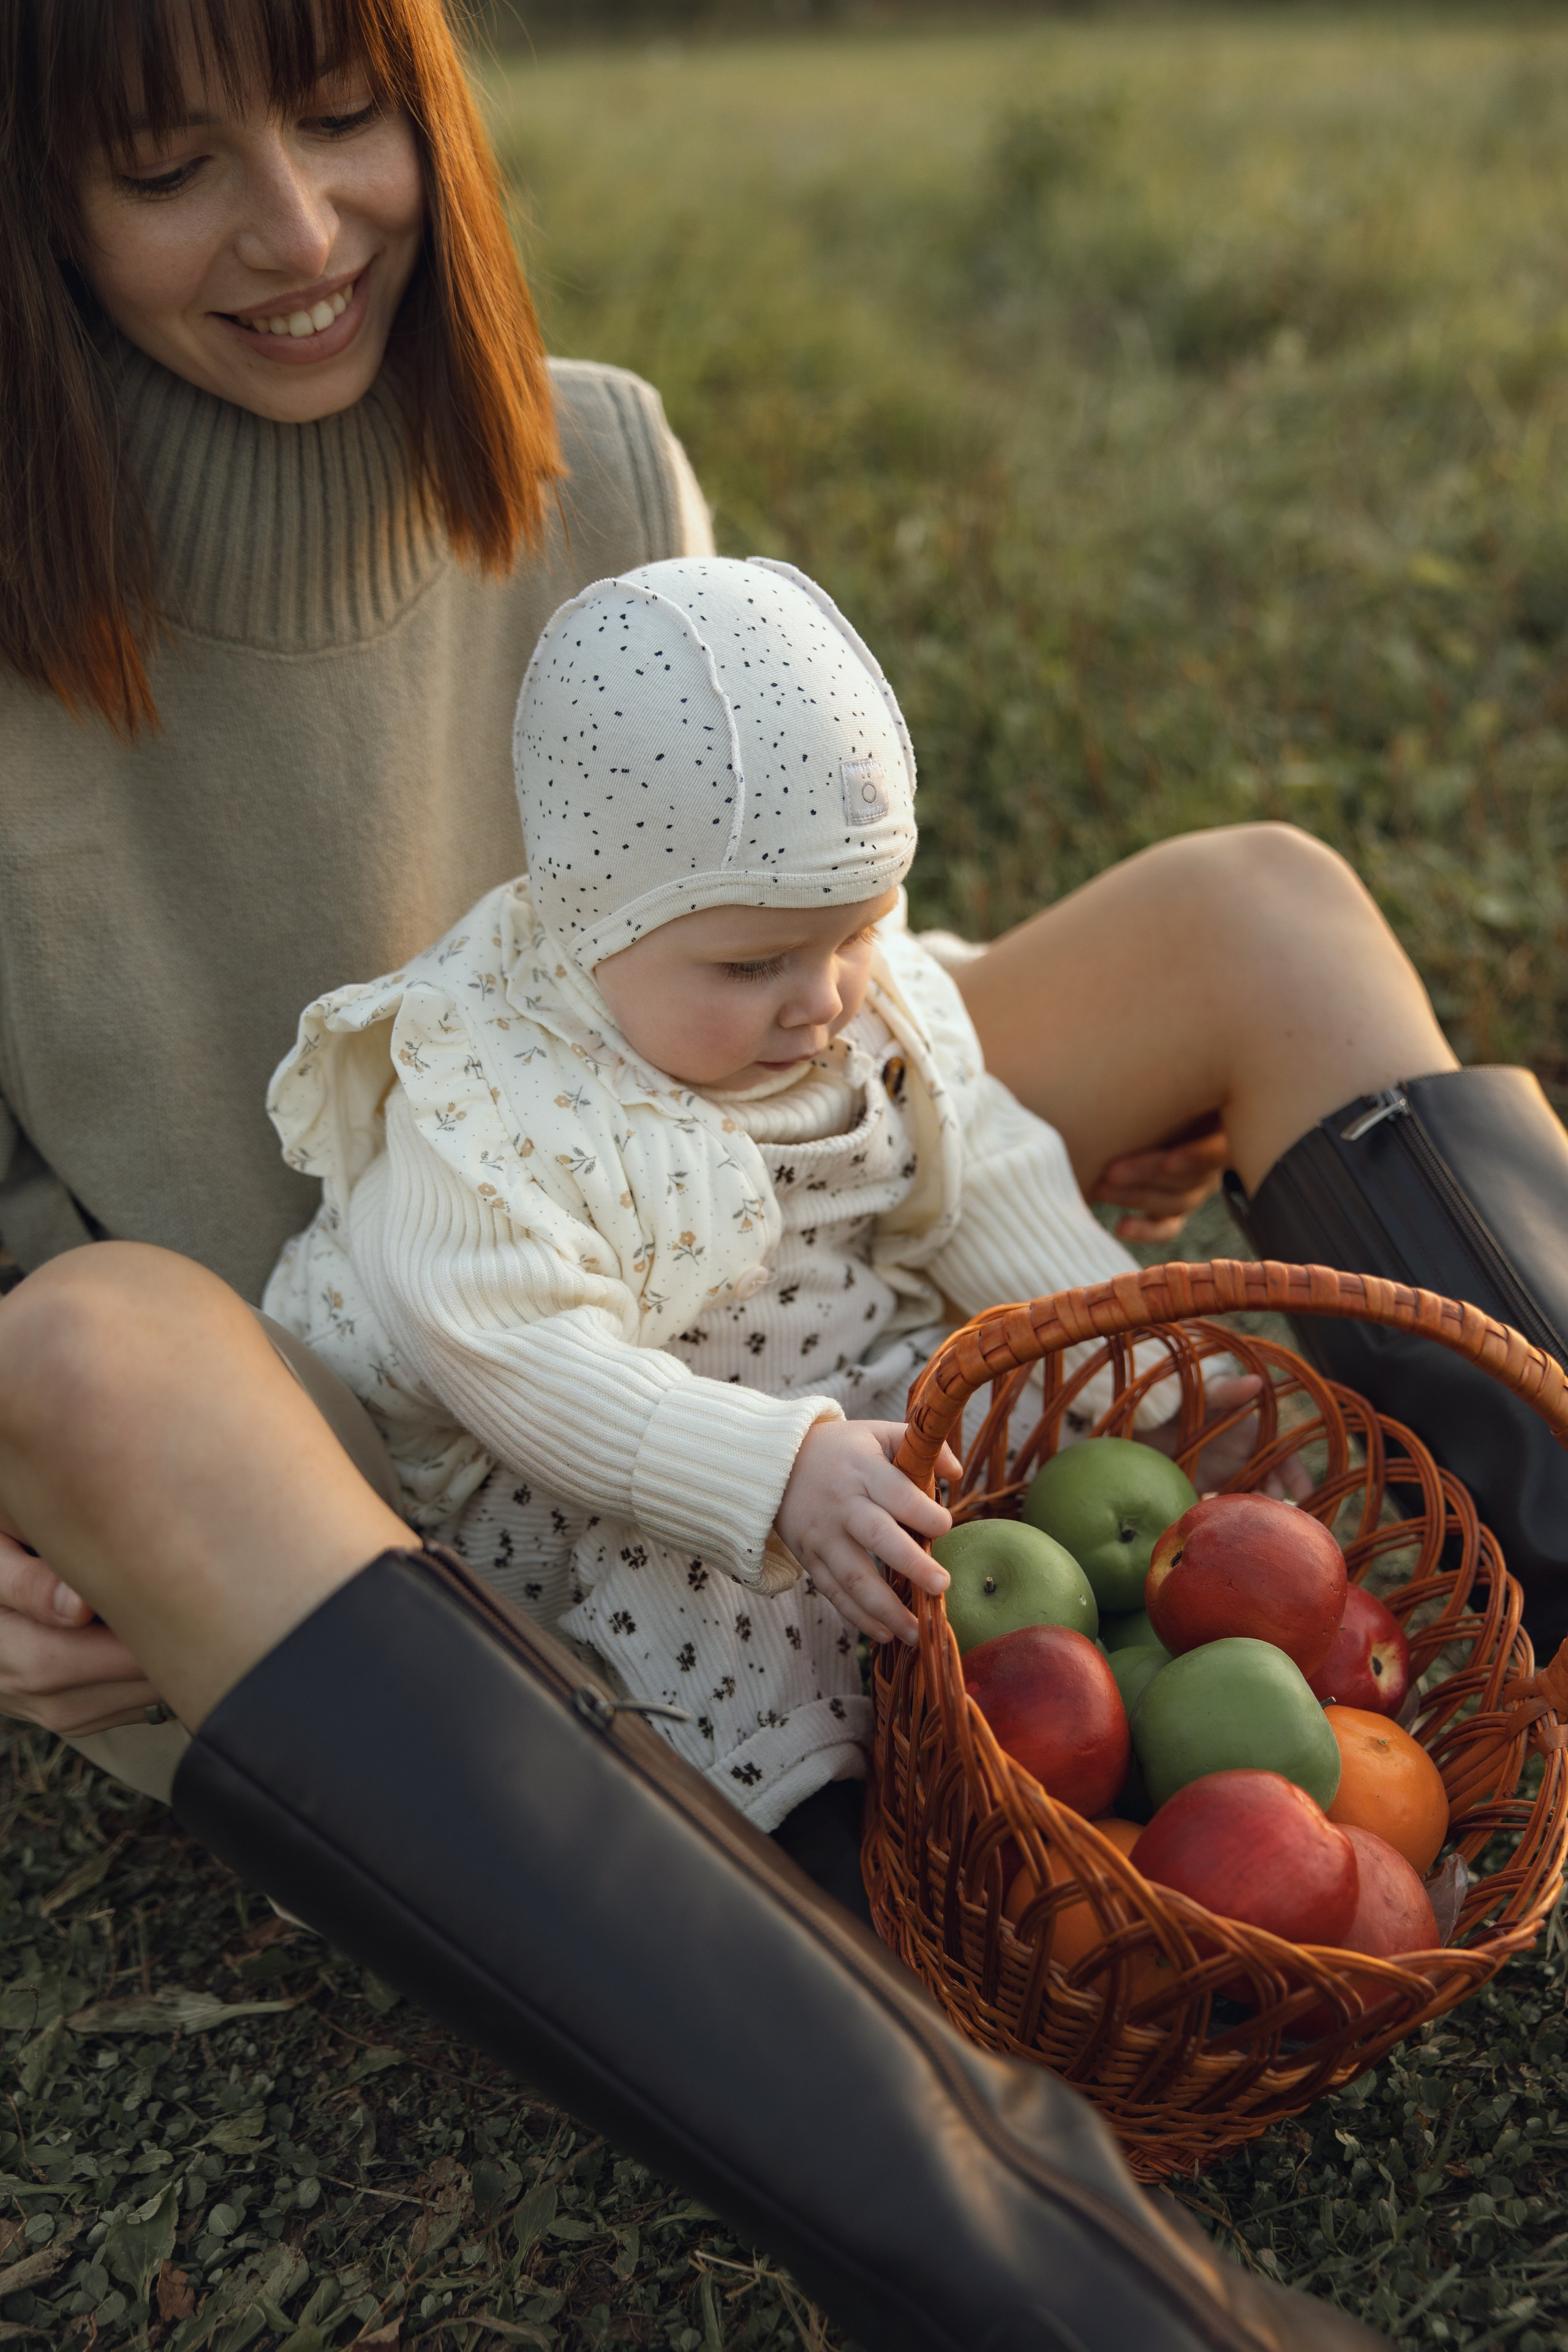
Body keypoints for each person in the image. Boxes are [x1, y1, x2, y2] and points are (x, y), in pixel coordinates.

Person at [0, 0, 1550, 2342]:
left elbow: (777, 940)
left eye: (342, 116)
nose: (299, 230)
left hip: (715, 1195)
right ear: (34, 196)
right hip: (344, 1443)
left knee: (1262, 903)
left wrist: (964, 1143)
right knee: (89, 1348)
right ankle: (1043, 2266)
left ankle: (1507, 1646)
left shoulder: (593, 457)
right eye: (164, 164)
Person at [256, 551, 1278, 1871]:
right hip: (621, 1462)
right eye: (753, 967)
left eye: (858, 932)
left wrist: (1123, 1352)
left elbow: (977, 1160)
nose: (825, 1001)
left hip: (830, 1376)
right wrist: (769, 1471)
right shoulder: (490, 1094)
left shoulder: (848, 987)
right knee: (734, 1624)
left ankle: (1059, 1774)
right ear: (587, 922)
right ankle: (833, 1886)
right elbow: (511, 1355)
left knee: (1000, 1493)